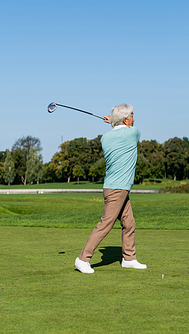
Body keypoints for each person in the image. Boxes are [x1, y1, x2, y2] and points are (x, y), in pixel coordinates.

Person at [75, 103, 147, 273]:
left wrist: (114, 124)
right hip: (118, 189)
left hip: (114, 187)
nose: (134, 119)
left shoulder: (105, 138)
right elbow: (129, 131)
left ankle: (129, 258)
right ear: (125, 118)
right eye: (131, 116)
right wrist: (113, 123)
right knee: (105, 224)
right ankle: (82, 259)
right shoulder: (133, 133)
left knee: (129, 223)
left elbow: (119, 129)